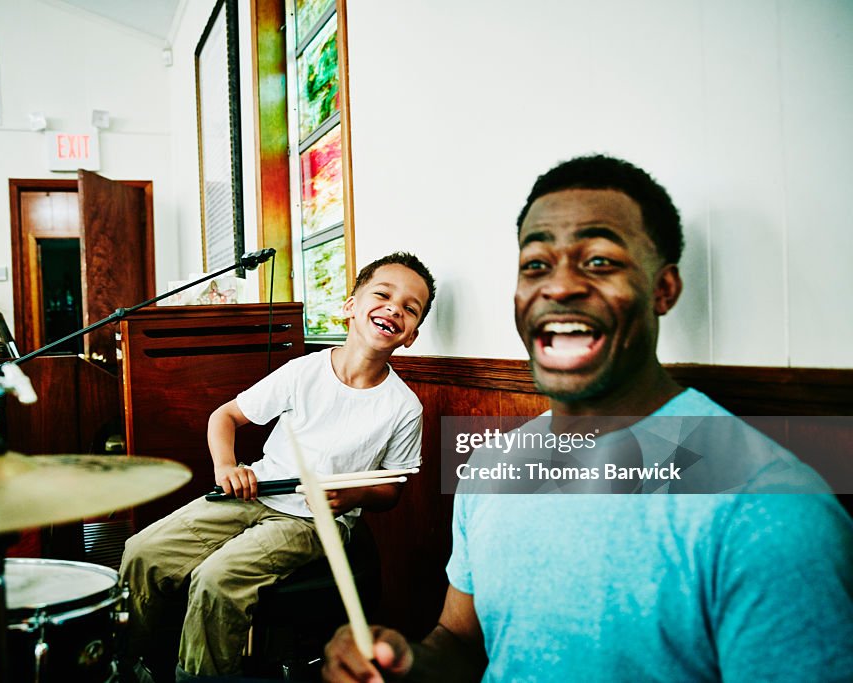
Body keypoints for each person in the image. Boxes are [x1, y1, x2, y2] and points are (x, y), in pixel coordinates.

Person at [323, 155, 853, 682]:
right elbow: (462, 642)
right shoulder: (491, 468)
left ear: (663, 290)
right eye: (536, 265)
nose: (558, 287)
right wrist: (408, 665)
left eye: (599, 261)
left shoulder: (771, 509)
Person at [120, 252, 436, 680]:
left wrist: (353, 495)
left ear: (411, 335)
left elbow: (391, 490)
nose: (394, 308)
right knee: (142, 551)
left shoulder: (403, 407)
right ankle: (134, 663)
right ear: (350, 307)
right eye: (383, 294)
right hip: (259, 491)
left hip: (315, 521)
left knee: (217, 578)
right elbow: (224, 417)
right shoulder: (302, 372)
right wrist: (226, 468)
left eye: (409, 308)